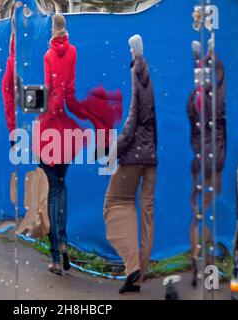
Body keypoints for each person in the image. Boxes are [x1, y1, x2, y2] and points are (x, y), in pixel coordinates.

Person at [30, 14, 122, 275]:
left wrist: (44, 108)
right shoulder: (74, 51)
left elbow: (49, 88)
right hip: (66, 129)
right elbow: (69, 90)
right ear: (65, 29)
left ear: (52, 29)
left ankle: (56, 255)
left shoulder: (48, 56)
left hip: (50, 127)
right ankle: (65, 244)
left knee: (53, 189)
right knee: (61, 185)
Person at [103, 34, 157, 294]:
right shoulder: (149, 77)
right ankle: (137, 278)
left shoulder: (136, 73)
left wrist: (115, 150)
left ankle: (132, 266)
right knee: (146, 217)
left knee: (115, 203)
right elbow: (150, 121)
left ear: (134, 52)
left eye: (129, 50)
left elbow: (133, 119)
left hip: (135, 155)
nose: (129, 53)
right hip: (151, 158)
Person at [187, 39, 226, 287]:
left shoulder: (193, 99)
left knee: (198, 213)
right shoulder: (215, 100)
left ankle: (195, 263)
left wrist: (205, 57)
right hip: (214, 161)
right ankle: (209, 270)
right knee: (210, 212)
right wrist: (215, 57)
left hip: (198, 159)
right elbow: (221, 80)